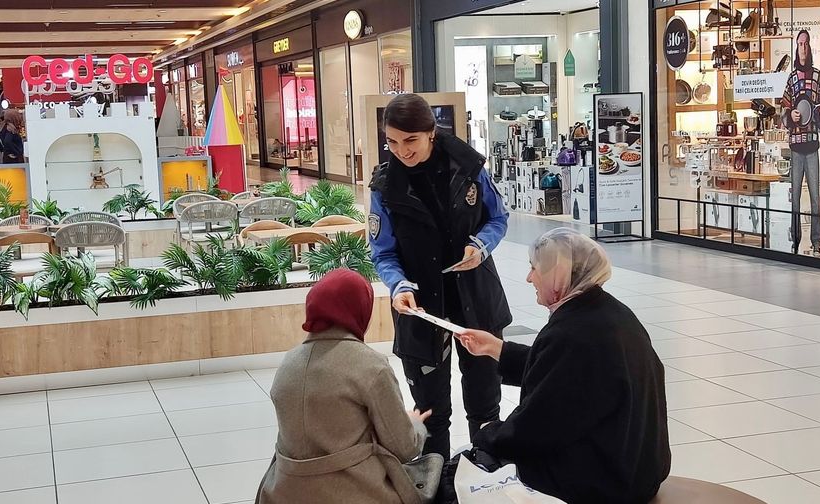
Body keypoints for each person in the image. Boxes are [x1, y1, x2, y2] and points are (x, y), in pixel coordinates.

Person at [455, 229, 671, 503]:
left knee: (476, 470)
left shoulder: (573, 333)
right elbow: (564, 373)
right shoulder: (608, 313)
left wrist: (487, 434)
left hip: (607, 481)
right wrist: (495, 348)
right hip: (638, 467)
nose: (529, 277)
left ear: (559, 275)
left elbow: (537, 428)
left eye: (534, 268)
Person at [369, 93, 512, 460]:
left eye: (410, 140)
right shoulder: (385, 187)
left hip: (476, 300)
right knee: (431, 415)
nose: (401, 151)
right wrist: (398, 286)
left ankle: (485, 482)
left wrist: (480, 246)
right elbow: (383, 252)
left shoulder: (469, 168)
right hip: (420, 308)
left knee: (485, 407)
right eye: (392, 142)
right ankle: (435, 489)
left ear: (431, 133)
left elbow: (498, 218)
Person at [256, 269, 437, 504]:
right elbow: (403, 448)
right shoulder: (371, 366)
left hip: (283, 492)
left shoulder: (287, 364)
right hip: (356, 491)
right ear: (361, 310)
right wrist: (415, 424)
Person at [781, 29, 820, 257]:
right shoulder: (791, 78)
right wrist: (791, 116)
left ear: (810, 47)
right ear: (796, 47)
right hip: (795, 146)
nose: (802, 48)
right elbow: (784, 110)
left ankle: (816, 242)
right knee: (796, 199)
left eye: (806, 44)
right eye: (799, 44)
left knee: (814, 199)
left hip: (812, 146)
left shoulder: (817, 76)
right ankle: (796, 239)